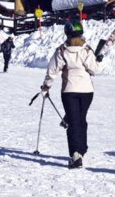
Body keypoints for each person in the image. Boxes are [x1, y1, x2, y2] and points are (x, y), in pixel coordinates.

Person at [41, 20, 100, 169]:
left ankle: (75, 154)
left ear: (67, 34)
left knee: (73, 122)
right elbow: (95, 70)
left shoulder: (61, 51)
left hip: (69, 91)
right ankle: (82, 149)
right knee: (81, 119)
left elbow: (52, 71)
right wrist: (96, 60)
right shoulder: (87, 50)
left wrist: (46, 87)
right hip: (87, 91)